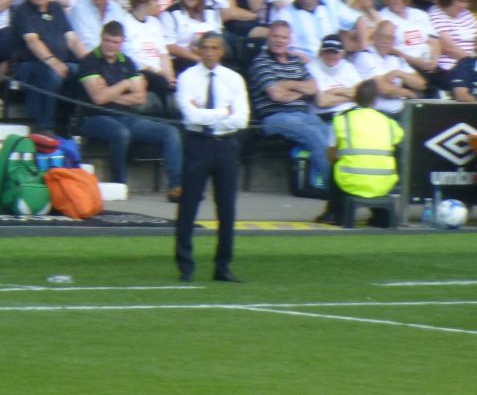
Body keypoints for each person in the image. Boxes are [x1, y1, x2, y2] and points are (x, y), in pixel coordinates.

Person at [77, 20, 183, 201]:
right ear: (101, 38)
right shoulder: (89, 61)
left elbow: (140, 98)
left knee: (170, 132)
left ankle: (176, 186)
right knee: (121, 133)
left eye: (115, 42)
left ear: (122, 42)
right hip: (94, 117)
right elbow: (98, 99)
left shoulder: (128, 62)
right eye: (108, 40)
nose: (111, 45)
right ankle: (120, 184)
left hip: (125, 115)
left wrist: (111, 92)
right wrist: (126, 84)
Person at [174, 31, 249, 282]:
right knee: (189, 205)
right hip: (198, 143)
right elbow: (190, 116)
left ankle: (223, 265)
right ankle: (185, 265)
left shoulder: (233, 79)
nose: (208, 52)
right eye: (204, 47)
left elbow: (241, 119)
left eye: (214, 47)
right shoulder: (187, 77)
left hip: (226, 144)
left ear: (221, 51)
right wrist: (223, 112)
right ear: (198, 50)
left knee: (227, 207)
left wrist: (207, 112)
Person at [248, 19, 329, 193]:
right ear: (268, 37)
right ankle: (335, 192)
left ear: (290, 40)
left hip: (302, 114)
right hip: (274, 117)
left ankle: (320, 186)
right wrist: (301, 89)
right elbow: (276, 95)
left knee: (329, 134)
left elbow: (313, 87)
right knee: (312, 134)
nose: (279, 41)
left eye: (284, 37)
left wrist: (286, 85)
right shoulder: (261, 62)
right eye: (276, 36)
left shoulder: (296, 61)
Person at [11, 0, 87, 134]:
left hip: (59, 62)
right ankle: (46, 125)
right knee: (53, 74)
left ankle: (75, 122)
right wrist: (52, 61)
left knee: (84, 72)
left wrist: (91, 63)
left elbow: (72, 39)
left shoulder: (56, 8)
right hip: (30, 64)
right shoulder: (23, 10)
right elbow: (32, 41)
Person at [322, 79, 404, 227]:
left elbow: (330, 156)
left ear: (355, 98)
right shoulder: (388, 122)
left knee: (335, 164)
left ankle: (333, 213)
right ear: (376, 100)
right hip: (384, 182)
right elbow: (399, 142)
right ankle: (382, 216)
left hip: (349, 182)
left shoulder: (342, 120)